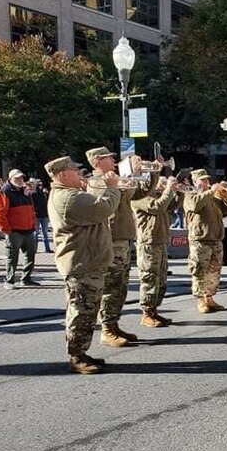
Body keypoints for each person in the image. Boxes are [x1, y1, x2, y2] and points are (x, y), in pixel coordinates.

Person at [45, 156, 120, 374]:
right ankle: (76, 356)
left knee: (88, 311)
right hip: (81, 263)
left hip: (88, 261)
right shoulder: (68, 198)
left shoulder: (72, 194)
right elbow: (103, 209)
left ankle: (81, 351)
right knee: (81, 312)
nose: (80, 174)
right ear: (62, 175)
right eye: (75, 171)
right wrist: (112, 188)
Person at [87, 147, 157, 347]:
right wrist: (130, 174)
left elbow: (140, 193)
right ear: (98, 161)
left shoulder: (113, 179)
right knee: (111, 286)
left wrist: (152, 172)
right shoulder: (97, 182)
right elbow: (111, 203)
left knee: (121, 286)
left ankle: (114, 324)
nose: (113, 160)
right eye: (109, 158)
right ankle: (106, 329)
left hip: (123, 239)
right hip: (111, 239)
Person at [132, 175, 181, 326]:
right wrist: (167, 190)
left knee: (161, 280)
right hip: (148, 243)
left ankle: (154, 310)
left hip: (160, 241)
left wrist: (178, 191)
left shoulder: (157, 195)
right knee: (149, 279)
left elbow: (172, 205)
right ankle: (146, 313)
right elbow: (157, 207)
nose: (162, 183)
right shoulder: (139, 197)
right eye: (160, 181)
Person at [184, 168, 227, 314]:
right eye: (203, 180)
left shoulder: (213, 197)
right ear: (195, 181)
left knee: (214, 271)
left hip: (215, 238)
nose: (206, 182)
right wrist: (210, 191)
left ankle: (209, 297)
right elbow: (195, 205)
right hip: (200, 240)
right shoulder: (190, 194)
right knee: (200, 271)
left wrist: (226, 195)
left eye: (207, 179)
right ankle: (200, 300)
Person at [0, 168, 38, 289]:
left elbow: (31, 209)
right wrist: (5, 229)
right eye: (17, 178)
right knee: (12, 257)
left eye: (21, 178)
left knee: (30, 255)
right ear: (10, 179)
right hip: (14, 231)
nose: (19, 180)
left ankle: (26, 278)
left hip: (28, 229)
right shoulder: (5, 192)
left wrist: (33, 224)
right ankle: (9, 280)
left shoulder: (25, 191)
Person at [30, 180, 52, 253]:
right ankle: (34, 249)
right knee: (35, 233)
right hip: (37, 215)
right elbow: (32, 204)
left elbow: (48, 202)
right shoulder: (34, 194)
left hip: (44, 215)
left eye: (41, 185)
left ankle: (47, 248)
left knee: (45, 233)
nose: (40, 186)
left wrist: (47, 193)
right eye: (39, 185)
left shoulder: (44, 194)